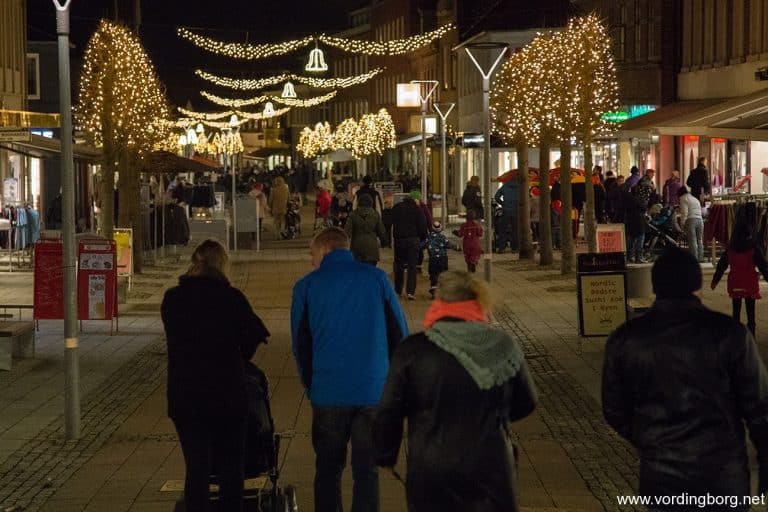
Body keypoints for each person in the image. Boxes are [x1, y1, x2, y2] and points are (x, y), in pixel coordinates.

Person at [602, 247, 768, 508]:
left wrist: (649, 435)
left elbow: (614, 408)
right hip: (723, 473)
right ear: (697, 286)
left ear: (655, 287)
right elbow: (759, 406)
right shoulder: (730, 334)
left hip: (661, 475)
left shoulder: (626, 339)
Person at [373, 270, 537, 512]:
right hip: (492, 467)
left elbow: (389, 410)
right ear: (478, 300)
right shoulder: (502, 345)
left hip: (432, 470)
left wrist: (385, 455)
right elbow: (526, 401)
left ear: (439, 301)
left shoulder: (413, 350)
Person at [291, 228, 409, 512]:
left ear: (326, 250)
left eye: (312, 253)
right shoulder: (377, 279)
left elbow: (300, 344)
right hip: (372, 392)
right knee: (367, 470)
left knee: (328, 469)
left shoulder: (306, 287)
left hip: (328, 392)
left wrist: (311, 385)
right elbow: (400, 334)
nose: (311, 260)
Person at [161, 240, 270, 512]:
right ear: (222, 265)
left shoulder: (173, 299)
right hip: (227, 394)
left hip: (186, 396)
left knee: (196, 469)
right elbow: (253, 338)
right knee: (231, 470)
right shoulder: (231, 299)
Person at [711, 219, 768, 335]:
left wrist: (715, 280)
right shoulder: (753, 247)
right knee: (750, 313)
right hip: (749, 282)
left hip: (735, 282)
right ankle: (751, 336)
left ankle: (735, 336)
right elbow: (763, 266)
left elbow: (721, 265)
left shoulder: (730, 248)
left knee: (736, 312)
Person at [391, 192, 428, 299]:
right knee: (412, 267)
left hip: (399, 240)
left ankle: (398, 290)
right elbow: (422, 225)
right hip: (413, 240)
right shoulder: (417, 209)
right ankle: (410, 292)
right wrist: (423, 238)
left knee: (399, 265)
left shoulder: (397, 207)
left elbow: (391, 221)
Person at [345, 193, 387, 266]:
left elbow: (347, 231)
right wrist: (384, 241)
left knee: (358, 272)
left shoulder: (353, 214)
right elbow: (381, 230)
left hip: (357, 247)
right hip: (372, 247)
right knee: (370, 271)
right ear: (371, 202)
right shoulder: (375, 214)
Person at [422, 221, 455, 297]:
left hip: (433, 260)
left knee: (433, 274)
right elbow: (449, 245)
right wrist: (458, 247)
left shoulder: (429, 237)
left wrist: (416, 247)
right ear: (440, 229)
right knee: (444, 274)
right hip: (443, 259)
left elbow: (422, 245)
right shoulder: (443, 237)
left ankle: (434, 288)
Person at [621, 183, 646, 263]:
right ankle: (638, 257)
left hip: (629, 222)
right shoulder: (637, 200)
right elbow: (643, 208)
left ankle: (629, 257)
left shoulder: (626, 200)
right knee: (640, 240)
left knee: (630, 241)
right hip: (638, 222)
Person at [678, 185, 704, 262]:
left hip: (691, 220)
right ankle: (700, 258)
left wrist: (682, 224)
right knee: (699, 240)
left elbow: (684, 213)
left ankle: (694, 259)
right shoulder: (695, 199)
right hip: (700, 220)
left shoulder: (683, 198)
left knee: (692, 240)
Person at [494, 176, 519, 252]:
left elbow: (497, 197)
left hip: (506, 210)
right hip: (516, 210)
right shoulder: (520, 187)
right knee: (515, 230)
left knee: (503, 229)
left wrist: (503, 203)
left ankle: (502, 247)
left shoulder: (505, 186)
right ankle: (515, 248)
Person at [410, 190, 433, 272]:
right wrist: (430, 230)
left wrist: (430, 230)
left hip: (416, 232)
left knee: (418, 249)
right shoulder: (423, 206)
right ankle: (418, 266)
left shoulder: (413, 207)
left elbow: (429, 219)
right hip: (419, 232)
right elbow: (429, 219)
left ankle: (417, 266)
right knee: (419, 249)